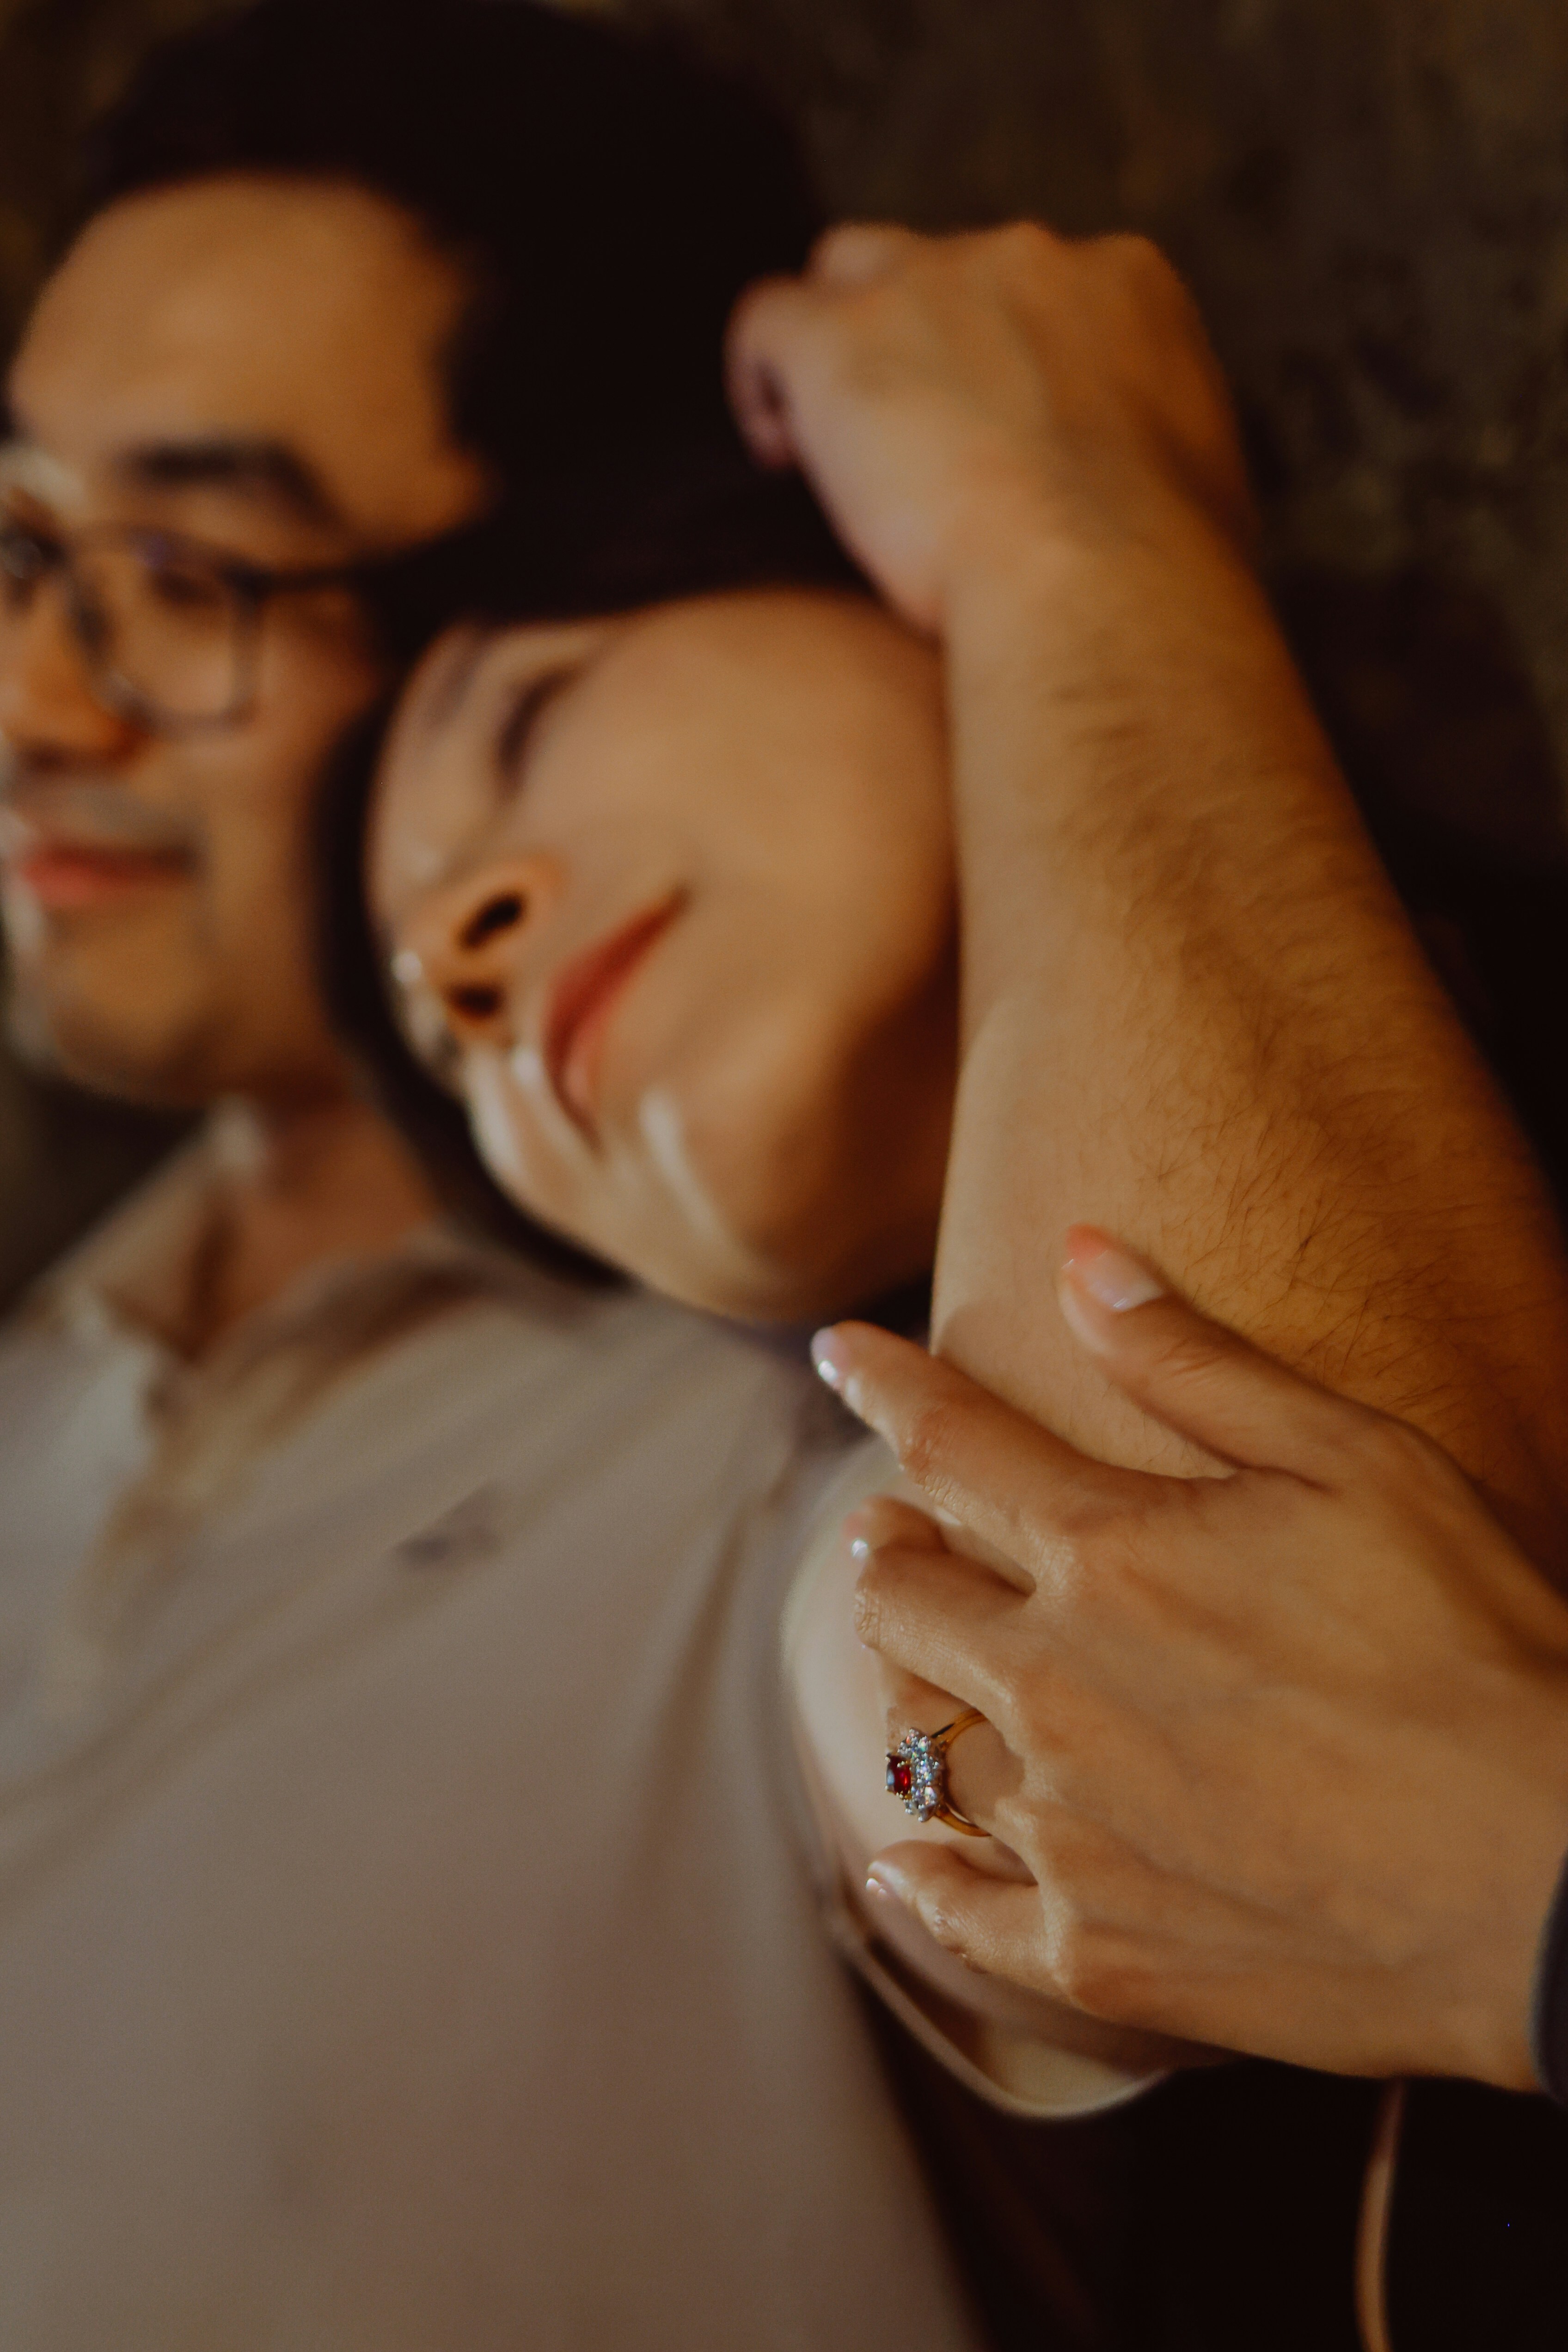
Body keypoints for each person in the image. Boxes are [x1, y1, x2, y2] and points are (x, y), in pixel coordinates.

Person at [355, 218, 1568, 2343]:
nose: (461, 958)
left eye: (526, 720)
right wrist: (1064, 535)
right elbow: (1069, 1726)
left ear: (852, 557)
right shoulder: (792, 1513)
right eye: (442, 1048)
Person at [0, 6, 1010, 2344]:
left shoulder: (827, 1436)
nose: (39, 707)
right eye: (25, 541)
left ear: (566, 591)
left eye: (193, 569)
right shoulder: (42, 1377)